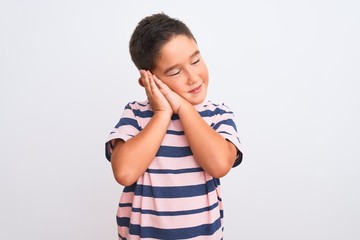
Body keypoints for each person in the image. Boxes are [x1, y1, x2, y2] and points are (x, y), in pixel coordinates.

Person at [105, 12, 243, 240]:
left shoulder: (218, 114)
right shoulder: (136, 114)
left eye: (196, 60)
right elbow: (124, 172)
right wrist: (162, 113)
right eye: (176, 72)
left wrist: (184, 109)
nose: (192, 77)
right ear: (148, 80)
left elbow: (219, 165)